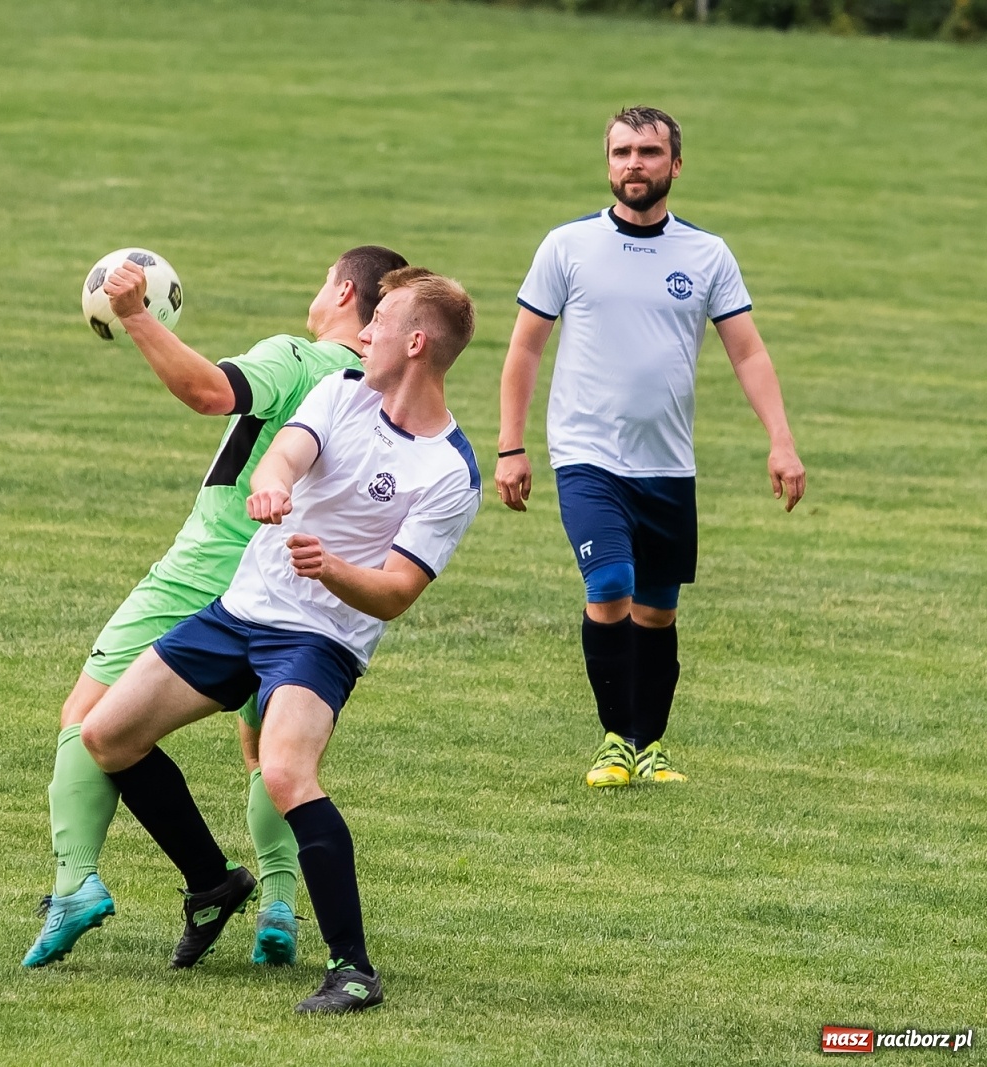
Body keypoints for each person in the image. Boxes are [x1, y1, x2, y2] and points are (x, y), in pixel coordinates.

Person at [81, 267, 481, 1014]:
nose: (365, 331)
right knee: (106, 735)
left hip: (321, 639)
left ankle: (353, 969)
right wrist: (271, 484)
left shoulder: (448, 471)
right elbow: (285, 454)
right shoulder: (340, 391)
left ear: (417, 343)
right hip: (240, 612)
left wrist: (329, 568)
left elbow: (395, 592)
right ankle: (211, 884)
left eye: (382, 320)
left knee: (286, 772)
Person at [23, 246, 410, 969]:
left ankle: (79, 882)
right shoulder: (385, 393)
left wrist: (136, 316)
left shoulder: (299, 357)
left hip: (209, 570)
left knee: (88, 718)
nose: (316, 291)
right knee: (270, 750)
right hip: (299, 592)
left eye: (323, 278)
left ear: (346, 291)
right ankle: (278, 906)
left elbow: (209, 391)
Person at [495, 105, 806, 787]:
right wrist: (510, 446)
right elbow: (524, 347)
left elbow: (748, 353)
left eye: (647, 152)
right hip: (585, 455)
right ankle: (613, 740)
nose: (633, 164)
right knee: (609, 585)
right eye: (621, 152)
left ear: (675, 165)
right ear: (608, 163)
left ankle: (649, 743)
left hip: (668, 462)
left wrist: (781, 441)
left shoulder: (706, 254)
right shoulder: (567, 246)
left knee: (658, 612)